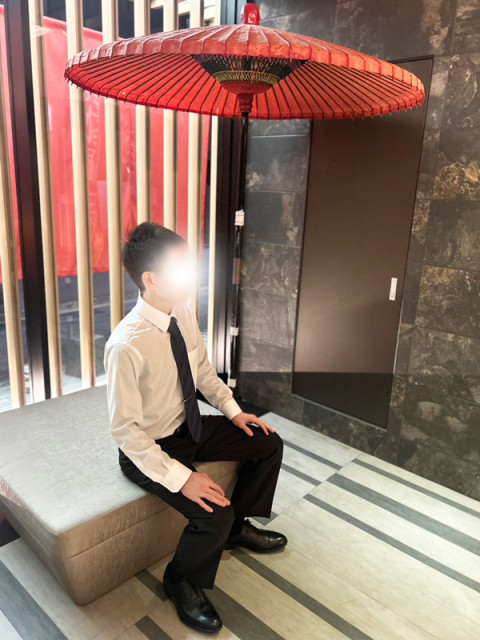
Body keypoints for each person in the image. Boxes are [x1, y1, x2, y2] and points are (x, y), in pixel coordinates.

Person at [104, 222, 287, 633]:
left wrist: (233, 411)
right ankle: (179, 579)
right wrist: (182, 478)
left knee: (267, 443)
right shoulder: (125, 345)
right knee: (213, 513)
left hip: (190, 427)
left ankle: (236, 530)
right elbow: (126, 432)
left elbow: (202, 371)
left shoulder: (182, 311)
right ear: (150, 279)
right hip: (150, 448)